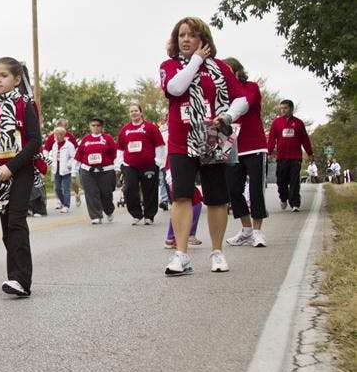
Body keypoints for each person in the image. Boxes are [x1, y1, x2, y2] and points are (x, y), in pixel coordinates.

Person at [160, 16, 248, 276]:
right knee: (182, 196)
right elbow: (176, 88)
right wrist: (196, 61)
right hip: (182, 141)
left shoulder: (220, 68)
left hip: (212, 137)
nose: (185, 39)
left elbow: (241, 99)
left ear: (203, 39)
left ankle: (217, 252)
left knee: (216, 197)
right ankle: (181, 255)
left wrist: (228, 116)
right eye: (181, 35)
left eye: (191, 35)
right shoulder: (170, 65)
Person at [0, 57, 42, 297]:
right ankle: (14, 276)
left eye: (3, 75)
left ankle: (21, 280)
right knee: (7, 226)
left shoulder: (25, 104)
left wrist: (12, 166)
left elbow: (35, 141)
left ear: (17, 79)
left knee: (17, 221)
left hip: (21, 169)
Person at [222, 58, 270, 248]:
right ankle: (246, 230)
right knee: (233, 189)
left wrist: (226, 115)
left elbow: (245, 105)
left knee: (256, 189)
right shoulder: (221, 93)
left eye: (227, 70)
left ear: (236, 71)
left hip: (255, 146)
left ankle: (258, 232)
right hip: (233, 147)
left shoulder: (251, 87)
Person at [116, 104, 165, 225]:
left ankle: (149, 216)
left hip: (149, 165)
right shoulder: (125, 129)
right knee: (129, 189)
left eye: (136, 111)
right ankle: (136, 214)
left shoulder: (150, 127)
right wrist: (120, 164)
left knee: (149, 190)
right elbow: (120, 148)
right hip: (129, 165)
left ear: (141, 112)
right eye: (131, 111)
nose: (134, 113)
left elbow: (159, 145)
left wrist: (158, 161)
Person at [267, 99, 313, 212]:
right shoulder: (276, 123)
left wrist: (310, 153)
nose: (283, 110)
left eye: (285, 108)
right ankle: (283, 198)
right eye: (281, 108)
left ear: (291, 109)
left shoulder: (298, 123)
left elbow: (305, 139)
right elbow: (272, 139)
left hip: (295, 158)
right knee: (281, 181)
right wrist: (268, 152)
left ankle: (295, 203)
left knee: (294, 181)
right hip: (281, 157)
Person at [72, 117, 117, 224]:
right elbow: (78, 156)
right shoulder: (86, 139)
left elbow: (115, 154)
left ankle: (109, 211)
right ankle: (96, 216)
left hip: (105, 171)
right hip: (88, 171)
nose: (96, 127)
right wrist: (74, 171)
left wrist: (117, 167)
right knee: (91, 193)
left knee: (106, 194)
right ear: (90, 127)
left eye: (98, 125)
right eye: (93, 125)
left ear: (101, 127)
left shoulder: (107, 138)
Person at [49, 127, 74, 213]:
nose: (55, 137)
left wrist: (68, 165)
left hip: (66, 170)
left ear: (62, 135)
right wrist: (52, 163)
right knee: (57, 188)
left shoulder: (69, 145)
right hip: (56, 170)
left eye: (57, 135)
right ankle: (63, 202)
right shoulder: (54, 145)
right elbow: (53, 156)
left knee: (66, 189)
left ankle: (66, 206)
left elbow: (73, 157)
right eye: (55, 135)